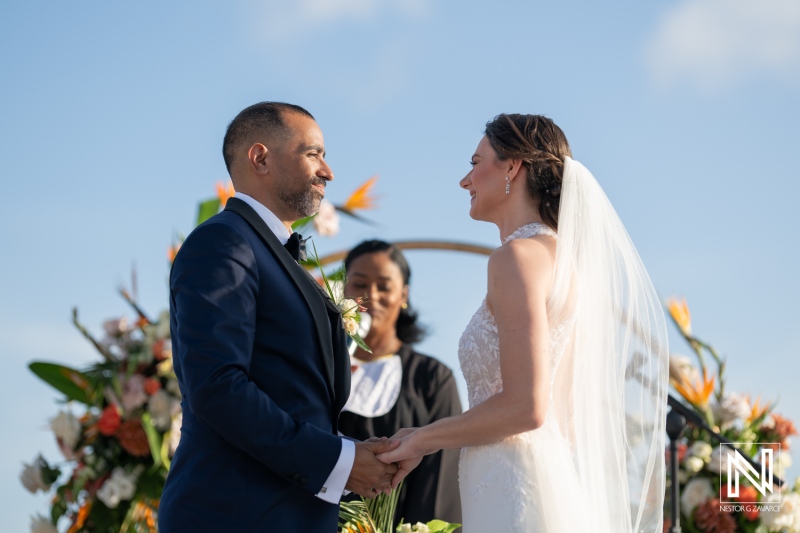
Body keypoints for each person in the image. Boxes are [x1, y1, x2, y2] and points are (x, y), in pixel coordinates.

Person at [378, 114, 669, 532]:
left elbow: (526, 407)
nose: (465, 180)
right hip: (544, 475)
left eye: (476, 162)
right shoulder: (565, 264)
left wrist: (423, 438)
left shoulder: (516, 258)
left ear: (513, 166)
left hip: (512, 484)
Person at [159, 102, 399, 532]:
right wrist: (338, 462)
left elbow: (292, 397)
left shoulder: (268, 252)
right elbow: (217, 386)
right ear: (261, 157)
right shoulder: (223, 243)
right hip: (234, 517)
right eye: (314, 153)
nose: (328, 171)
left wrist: (358, 456)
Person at [338, 240, 463, 527]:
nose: (371, 296)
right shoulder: (319, 367)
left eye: (384, 286)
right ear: (344, 291)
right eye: (359, 284)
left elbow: (439, 476)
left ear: (403, 294)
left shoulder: (432, 378)